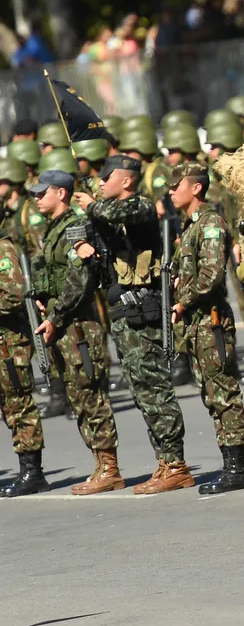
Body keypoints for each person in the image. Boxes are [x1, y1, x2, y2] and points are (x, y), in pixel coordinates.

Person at [74, 155, 192, 494]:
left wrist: (92, 206)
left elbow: (115, 212)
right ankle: (165, 462)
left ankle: (175, 464)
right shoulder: (108, 212)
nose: (99, 183)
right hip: (124, 314)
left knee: (155, 390)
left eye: (105, 178)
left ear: (125, 181)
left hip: (144, 311)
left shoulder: (138, 206)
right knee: (141, 391)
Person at [30, 169, 124, 494]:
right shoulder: (54, 229)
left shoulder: (74, 227)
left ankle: (110, 468)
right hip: (63, 323)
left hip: (78, 326)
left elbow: (78, 278)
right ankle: (101, 464)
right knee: (78, 396)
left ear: (61, 193)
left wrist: (56, 315)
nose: (37, 197)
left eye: (43, 192)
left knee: (90, 394)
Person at [167, 162, 244, 494]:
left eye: (177, 185)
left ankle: (237, 467)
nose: (172, 191)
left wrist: (181, 301)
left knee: (223, 392)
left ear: (197, 188)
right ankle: (230, 463)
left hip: (211, 320)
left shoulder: (210, 223)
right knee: (210, 392)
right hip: (196, 321)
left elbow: (212, 274)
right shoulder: (190, 227)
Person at [0, 231, 48, 497]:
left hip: (8, 344)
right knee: (9, 408)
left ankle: (33, 472)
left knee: (19, 405)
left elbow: (14, 295)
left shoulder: (2, 250)